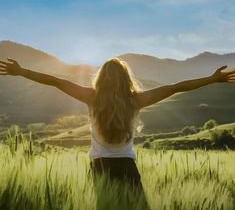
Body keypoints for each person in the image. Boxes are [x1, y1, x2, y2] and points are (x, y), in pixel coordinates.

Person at [0, 56, 235, 200]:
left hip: (99, 167)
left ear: (101, 78)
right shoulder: (136, 100)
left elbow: (57, 82)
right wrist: (212, 79)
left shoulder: (91, 97)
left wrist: (23, 72)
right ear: (126, 79)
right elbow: (176, 87)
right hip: (127, 167)